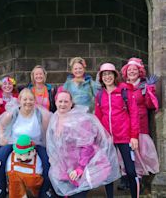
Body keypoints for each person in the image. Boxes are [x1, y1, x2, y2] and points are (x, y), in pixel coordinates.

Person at [47, 90, 120, 198]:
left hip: (82, 165)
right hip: (66, 166)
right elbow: (54, 143)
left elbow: (87, 147)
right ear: (55, 102)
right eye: (60, 101)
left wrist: (80, 168)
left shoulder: (79, 120)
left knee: (78, 194)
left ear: (71, 103)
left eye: (66, 101)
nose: (62, 104)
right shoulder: (55, 118)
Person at [0, 88, 52, 198]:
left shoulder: (40, 114)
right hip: (15, 143)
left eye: (31, 99)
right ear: (20, 100)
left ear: (34, 101)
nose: (28, 102)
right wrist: (2, 137)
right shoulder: (14, 113)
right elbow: (0, 125)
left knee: (48, 164)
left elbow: (46, 132)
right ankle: (0, 190)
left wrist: (47, 148)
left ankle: (44, 192)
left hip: (35, 144)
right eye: (25, 99)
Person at [94, 62, 141, 198]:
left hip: (125, 137)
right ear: (101, 77)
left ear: (115, 76)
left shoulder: (125, 91)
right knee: (108, 172)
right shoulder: (100, 95)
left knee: (131, 171)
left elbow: (134, 114)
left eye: (110, 74)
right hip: (107, 139)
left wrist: (134, 136)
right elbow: (97, 117)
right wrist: (99, 137)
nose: (107, 77)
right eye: (104, 74)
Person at [120, 58, 159, 183]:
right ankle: (126, 176)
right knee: (126, 151)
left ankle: (138, 179)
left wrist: (150, 90)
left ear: (139, 71)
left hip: (141, 123)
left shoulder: (143, 86)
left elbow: (150, 105)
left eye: (134, 69)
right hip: (125, 124)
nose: (132, 72)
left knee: (139, 151)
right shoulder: (123, 87)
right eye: (129, 69)